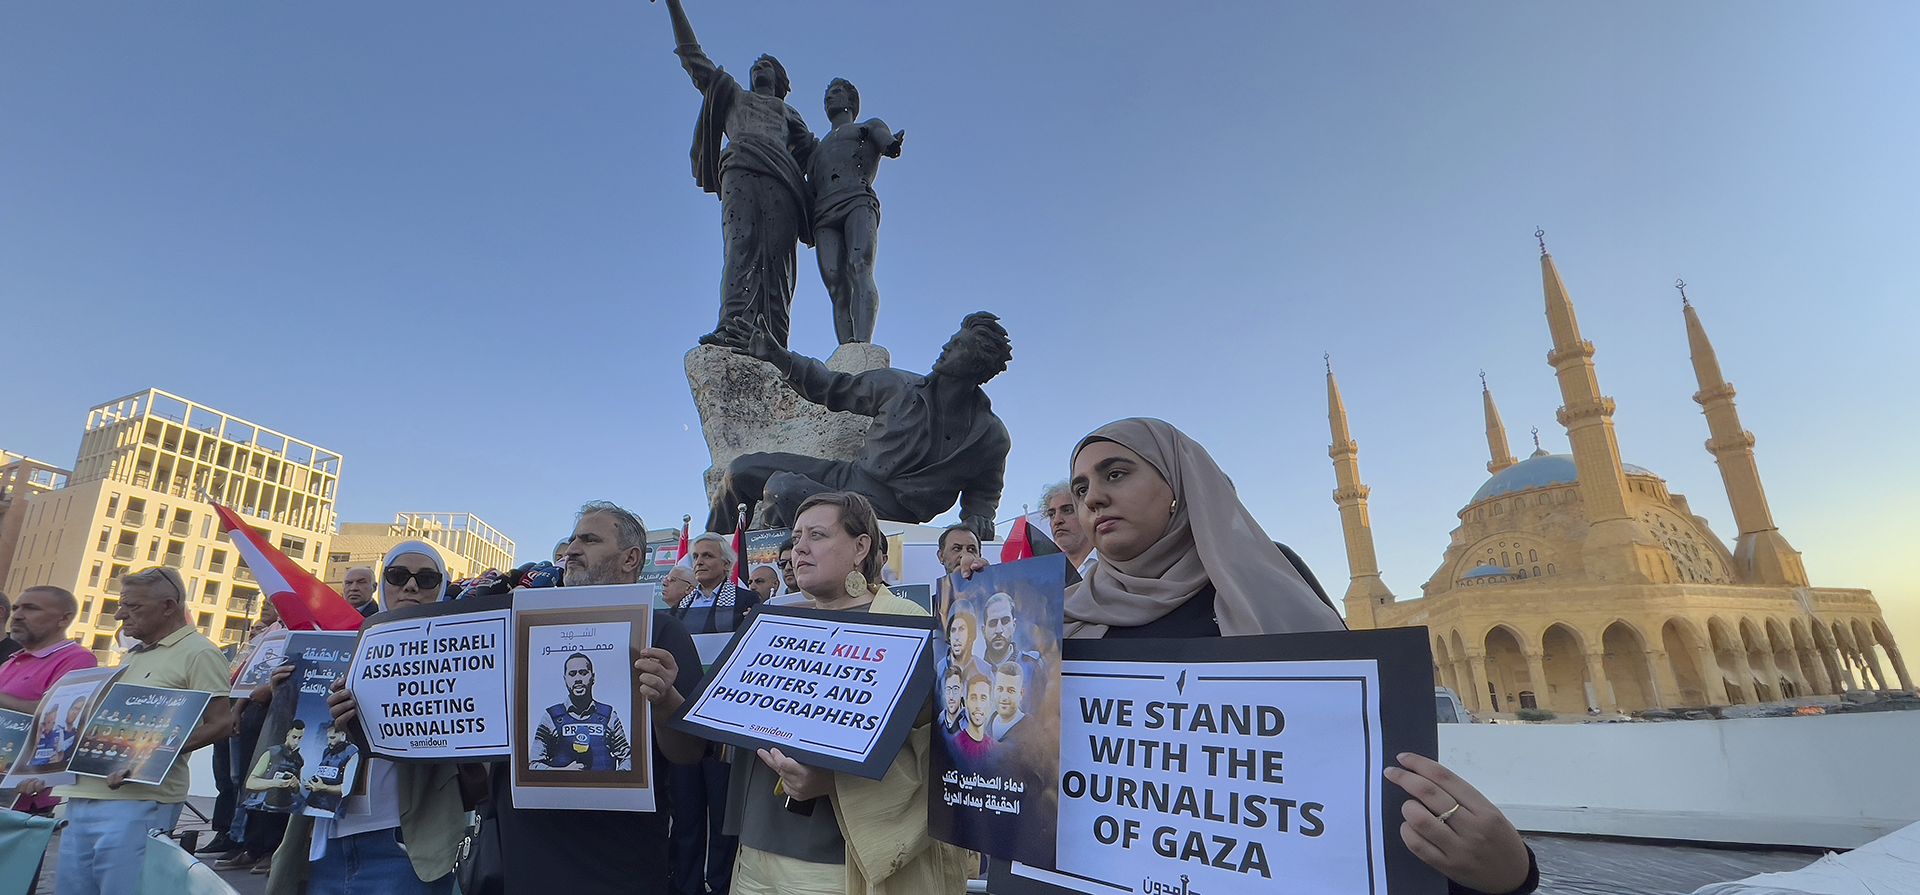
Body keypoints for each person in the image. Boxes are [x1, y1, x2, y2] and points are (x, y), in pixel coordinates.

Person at [1059, 418, 1539, 895]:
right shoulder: (1068, 615)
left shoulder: (1258, 579)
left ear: (1178, 486)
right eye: (1081, 490)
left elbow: (1342, 783)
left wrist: (1505, 878)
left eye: (1115, 474)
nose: (1092, 499)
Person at [724, 491, 974, 895]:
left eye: (818, 535)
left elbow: (950, 753)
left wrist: (835, 784)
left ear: (861, 547)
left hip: (839, 868)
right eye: (797, 535)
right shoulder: (773, 628)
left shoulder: (910, 626)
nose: (799, 548)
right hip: (754, 855)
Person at [457, 501, 705, 895]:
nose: (571, 549)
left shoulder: (663, 634)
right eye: (572, 539)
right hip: (526, 855)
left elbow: (689, 752)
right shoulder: (515, 630)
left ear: (631, 559)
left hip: (620, 860)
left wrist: (665, 702)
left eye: (589, 539)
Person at [264, 541, 465, 895]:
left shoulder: (463, 654)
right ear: (384, 583)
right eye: (398, 575)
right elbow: (297, 744)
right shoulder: (337, 643)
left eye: (427, 578)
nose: (411, 586)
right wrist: (288, 697)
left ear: (443, 586)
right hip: (324, 842)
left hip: (405, 847)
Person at [708, 312, 1012, 541]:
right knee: (742, 470)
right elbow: (831, 387)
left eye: (959, 345)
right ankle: (708, 557)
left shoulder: (990, 437)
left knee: (782, 489)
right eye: (952, 339)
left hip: (887, 512)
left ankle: (778, 575)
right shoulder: (899, 386)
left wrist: (979, 518)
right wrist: (778, 356)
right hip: (849, 476)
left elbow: (983, 495)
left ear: (976, 363)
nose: (946, 346)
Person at [55, 567, 233, 895]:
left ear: (168, 606)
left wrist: (143, 758)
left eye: (133, 606)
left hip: (140, 800)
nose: (120, 614)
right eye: (122, 605)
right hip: (85, 794)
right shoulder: (132, 655)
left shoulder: (200, 653)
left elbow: (222, 723)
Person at [659, 0, 817, 349]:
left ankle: (775, 340)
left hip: (783, 181)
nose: (758, 67)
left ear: (780, 79)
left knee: (778, 262)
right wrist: (673, 4)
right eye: (755, 65)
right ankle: (732, 326)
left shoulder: (788, 112)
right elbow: (692, 56)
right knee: (740, 247)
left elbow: (814, 156)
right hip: (741, 170)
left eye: (766, 64)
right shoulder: (730, 94)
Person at [809, 77, 904, 345]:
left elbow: (885, 140)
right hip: (824, 213)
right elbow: (809, 186)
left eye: (836, 92)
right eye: (827, 94)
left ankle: (863, 345)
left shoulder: (867, 126)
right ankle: (846, 348)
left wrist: (891, 144)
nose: (829, 98)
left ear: (851, 101)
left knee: (859, 265)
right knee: (835, 283)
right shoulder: (818, 149)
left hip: (857, 200)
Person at [0, 585, 98, 820]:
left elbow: (59, 719)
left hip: (24, 797)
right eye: (16, 608)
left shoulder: (78, 658)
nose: (18, 615)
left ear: (64, 619)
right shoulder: (12, 661)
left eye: (31, 608)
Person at [534, 653, 631, 771]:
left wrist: (615, 781)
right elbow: (534, 765)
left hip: (602, 788)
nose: (578, 679)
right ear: (565, 679)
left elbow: (627, 758)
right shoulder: (551, 717)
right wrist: (564, 772)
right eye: (572, 674)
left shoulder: (608, 716)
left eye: (583, 673)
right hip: (564, 789)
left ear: (593, 677)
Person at [670, 532, 760, 635]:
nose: (698, 562)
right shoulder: (680, 605)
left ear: (726, 564)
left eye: (707, 556)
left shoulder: (746, 599)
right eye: (695, 557)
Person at [245, 721, 307, 814]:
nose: (296, 742)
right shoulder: (271, 753)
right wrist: (275, 783)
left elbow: (296, 790)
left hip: (287, 808)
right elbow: (250, 783)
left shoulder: (299, 760)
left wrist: (296, 784)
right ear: (287, 735)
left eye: (300, 738)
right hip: (264, 807)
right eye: (294, 737)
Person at [1039, 480, 1094, 575]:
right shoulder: (1048, 575)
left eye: (1067, 510)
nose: (1057, 520)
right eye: (1052, 514)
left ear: (1087, 513)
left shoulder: (1115, 562)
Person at [304, 721, 359, 816]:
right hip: (311, 805)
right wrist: (312, 783)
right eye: (328, 738)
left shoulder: (352, 753)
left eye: (332, 738)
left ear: (343, 735)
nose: (329, 742)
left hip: (331, 810)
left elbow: (346, 789)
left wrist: (323, 787)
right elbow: (322, 775)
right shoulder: (327, 751)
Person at [954, 673, 995, 765]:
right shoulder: (955, 745)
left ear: (990, 704)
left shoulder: (995, 748)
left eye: (983, 698)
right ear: (966, 702)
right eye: (973, 698)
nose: (978, 705)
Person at [988, 662, 1028, 745]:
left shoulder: (1030, 728)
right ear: (994, 690)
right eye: (1000, 689)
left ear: (1021, 694)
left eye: (1011, 691)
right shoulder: (987, 724)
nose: (1004, 697)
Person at [940, 668, 966, 736]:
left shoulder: (970, 721)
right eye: (948, 689)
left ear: (962, 691)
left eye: (955, 689)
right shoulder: (939, 721)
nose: (951, 696)